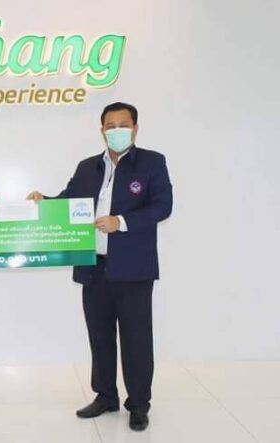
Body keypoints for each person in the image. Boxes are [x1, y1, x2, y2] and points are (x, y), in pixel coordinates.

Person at [27, 102, 172, 431]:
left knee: (136, 340)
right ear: (102, 130)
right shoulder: (87, 167)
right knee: (100, 337)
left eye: (124, 124)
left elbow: (163, 206)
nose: (117, 130)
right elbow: (67, 202)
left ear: (135, 128)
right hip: (94, 267)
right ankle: (105, 396)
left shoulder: (152, 162)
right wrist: (44, 202)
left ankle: (138, 404)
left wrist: (121, 221)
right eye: (110, 125)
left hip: (134, 269)